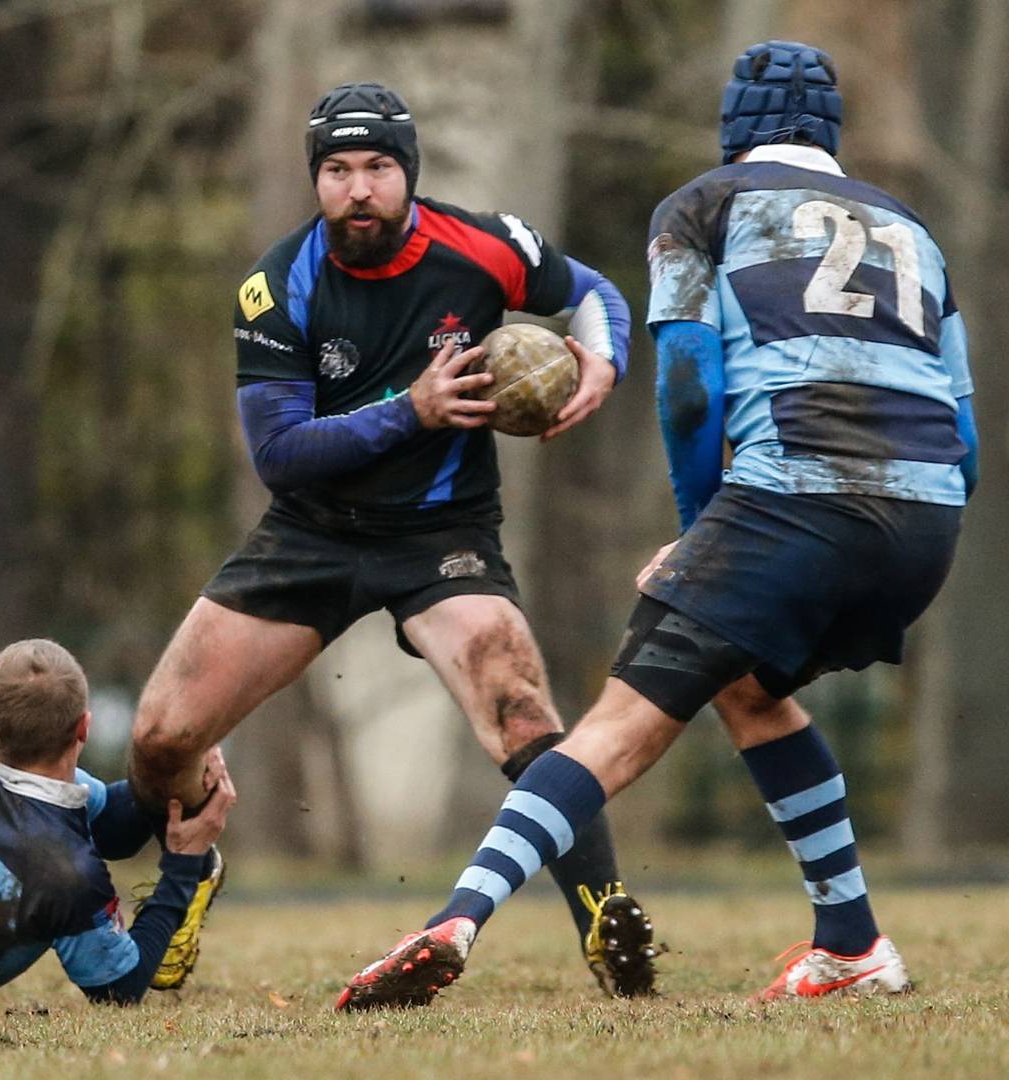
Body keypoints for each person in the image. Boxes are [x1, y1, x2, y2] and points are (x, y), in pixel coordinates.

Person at [338, 40, 979, 1007]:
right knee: (750, 688)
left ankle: (453, 921)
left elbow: (685, 385)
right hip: (927, 518)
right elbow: (964, 429)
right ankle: (851, 943)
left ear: (735, 131)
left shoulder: (702, 205)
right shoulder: (914, 231)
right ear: (833, 137)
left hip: (795, 497)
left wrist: (703, 526)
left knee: (617, 724)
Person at [127, 82, 656, 1003]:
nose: (359, 189)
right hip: (312, 531)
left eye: (378, 168)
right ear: (316, 180)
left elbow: (596, 293)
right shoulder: (278, 282)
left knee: (521, 707)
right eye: (337, 170)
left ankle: (608, 918)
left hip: (442, 536)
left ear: (407, 173)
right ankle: (185, 882)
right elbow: (281, 456)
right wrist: (411, 410)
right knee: (160, 738)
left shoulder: (486, 248)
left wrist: (601, 359)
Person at [0, 639, 235, 1010]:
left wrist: (170, 769)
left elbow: (108, 828)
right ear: (85, 727)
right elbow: (120, 988)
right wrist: (183, 865)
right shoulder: (64, 877)